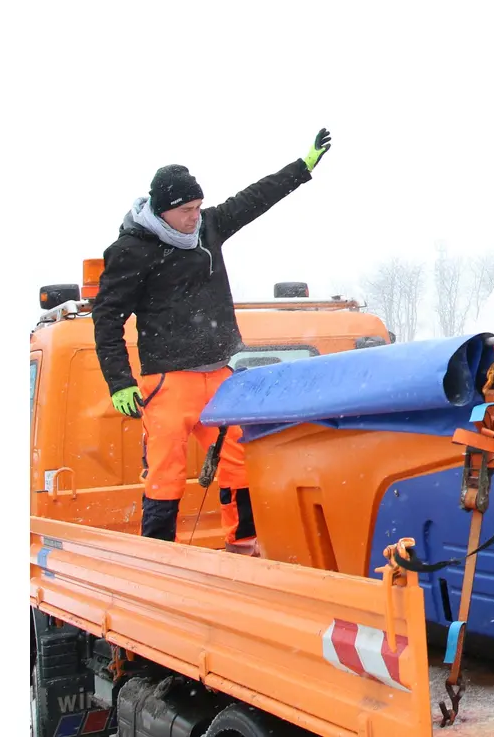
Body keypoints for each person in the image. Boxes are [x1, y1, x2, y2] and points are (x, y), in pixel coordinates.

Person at [92, 129, 333, 552]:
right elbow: (107, 317)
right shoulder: (131, 250)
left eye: (199, 206)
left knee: (239, 462)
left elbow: (254, 199)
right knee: (166, 473)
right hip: (168, 382)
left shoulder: (209, 229)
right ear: (162, 211)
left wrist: (301, 168)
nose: (195, 216)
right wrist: (120, 382)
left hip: (220, 374)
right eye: (186, 209)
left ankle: (243, 542)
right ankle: (159, 555)